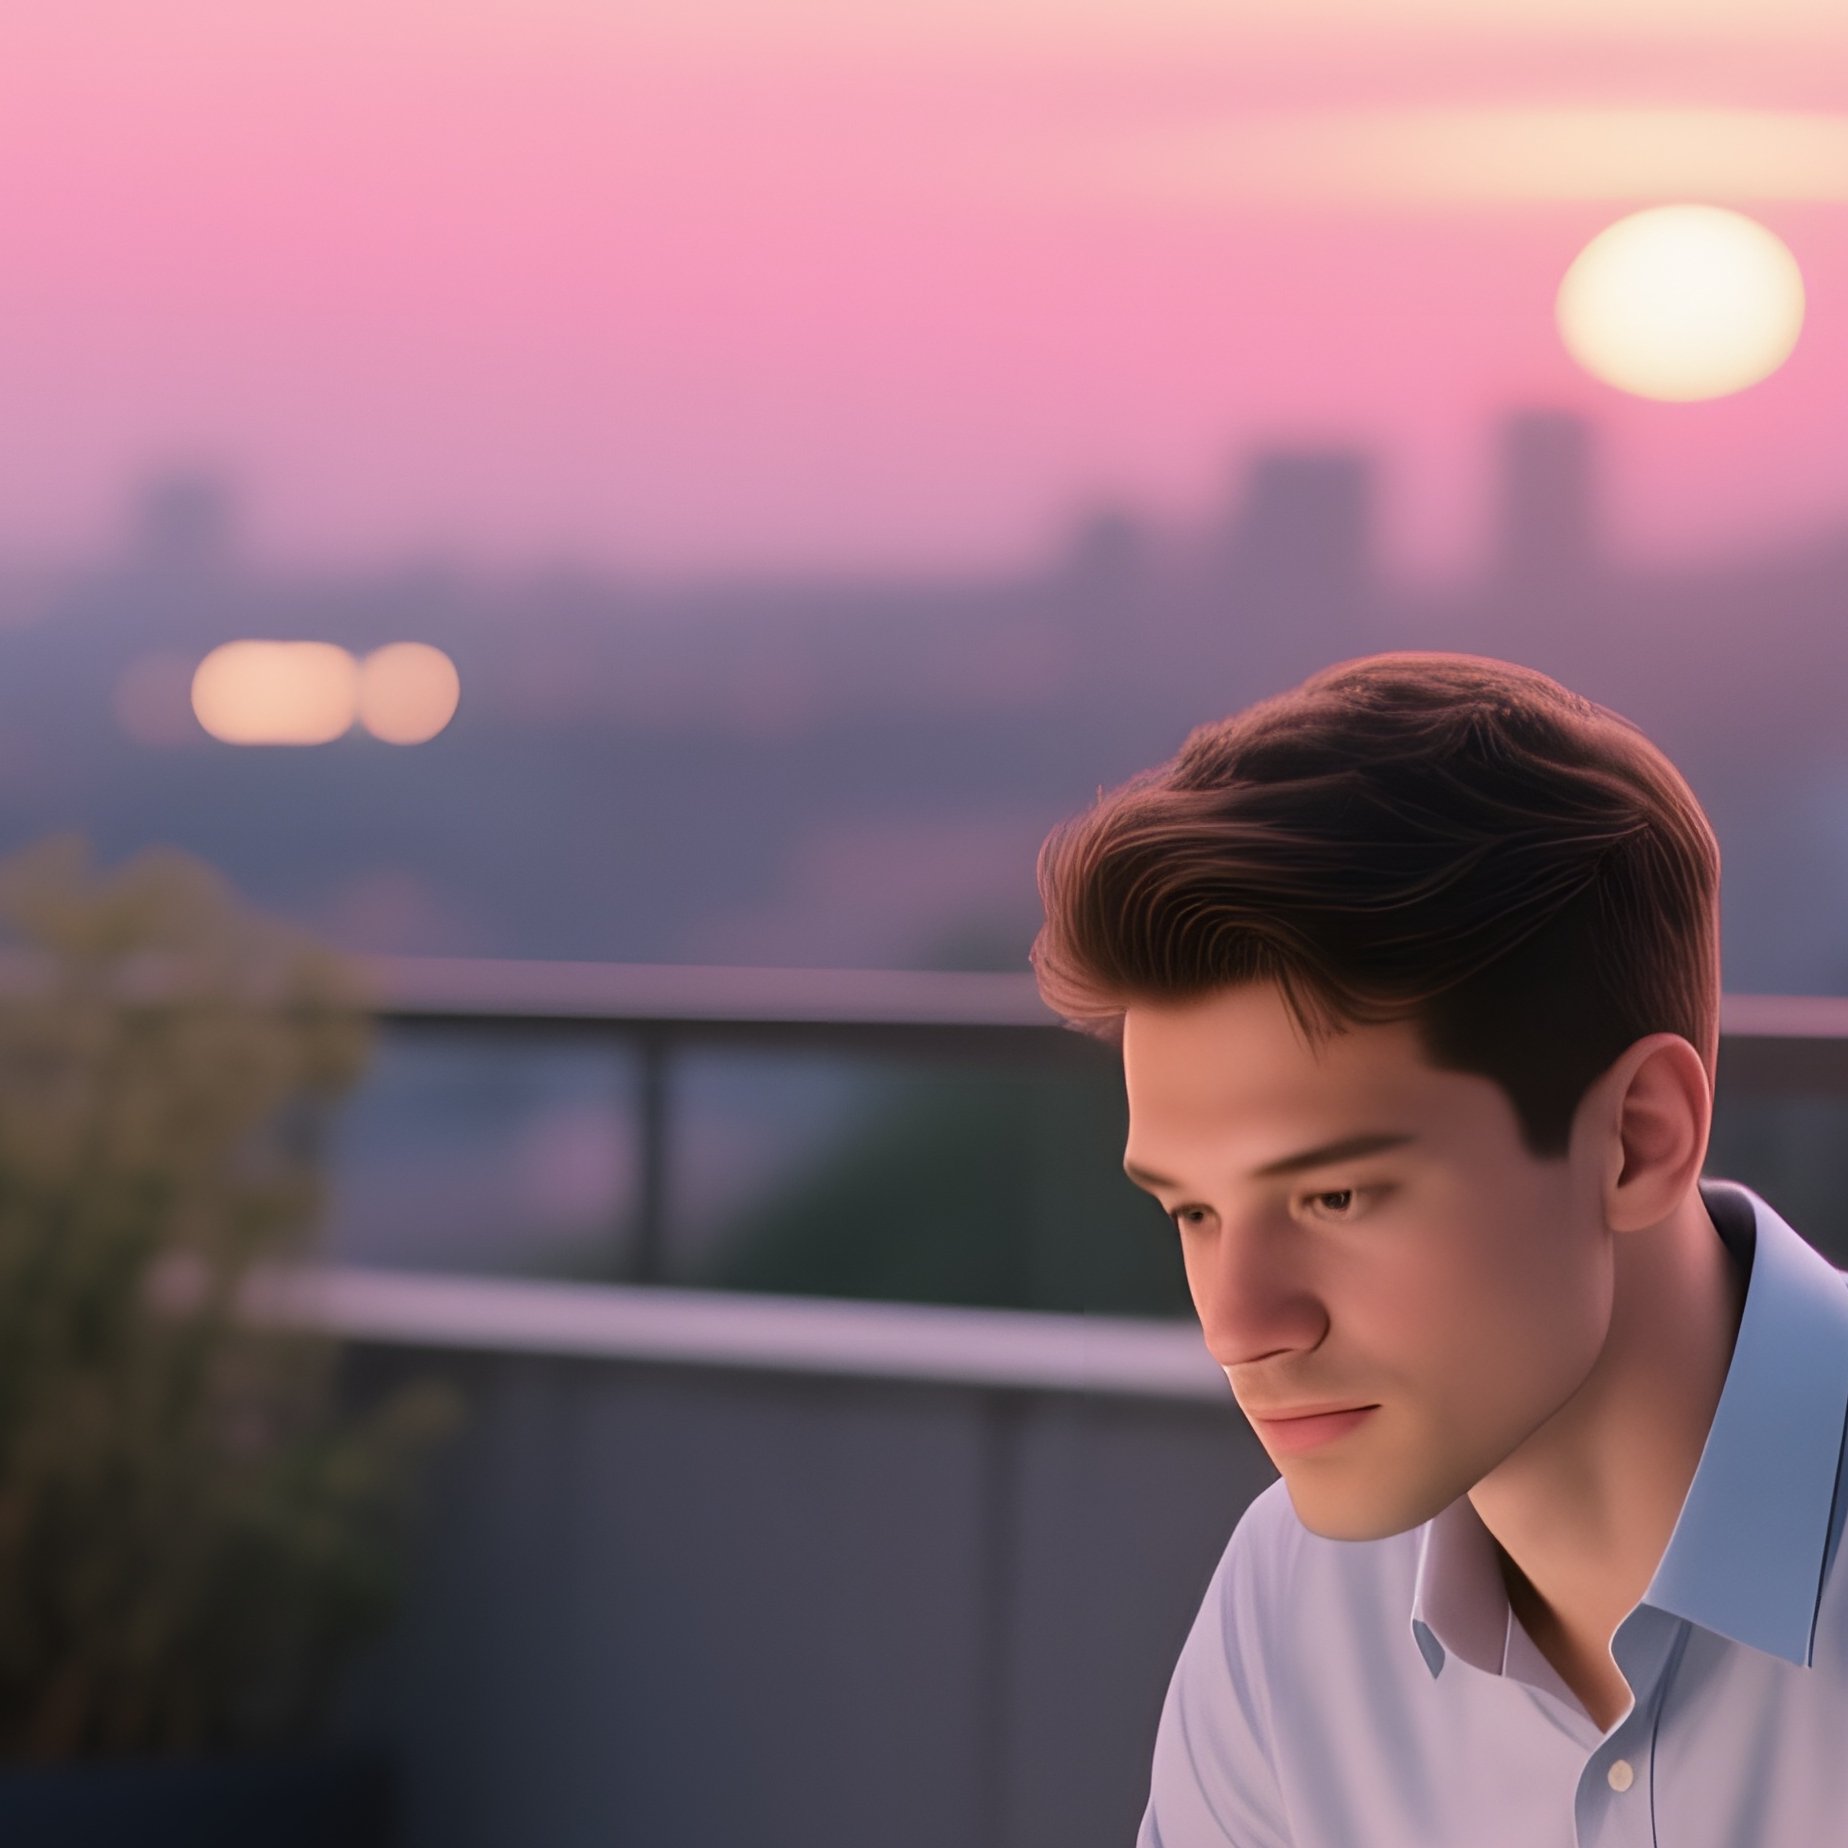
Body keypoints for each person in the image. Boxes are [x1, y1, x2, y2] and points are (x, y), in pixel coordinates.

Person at [1028, 651, 1848, 1845]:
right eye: (1192, 1213)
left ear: (1634, 1141)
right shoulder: (1287, 1613)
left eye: (1337, 1197)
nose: (1239, 1325)